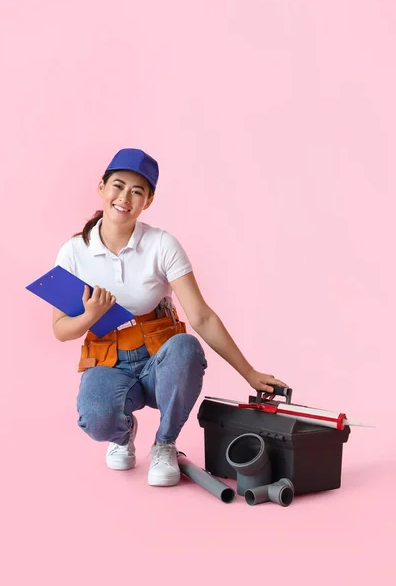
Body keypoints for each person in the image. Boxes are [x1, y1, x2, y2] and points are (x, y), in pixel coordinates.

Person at [52, 148, 288, 487]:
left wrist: (248, 372)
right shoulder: (74, 252)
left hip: (159, 361)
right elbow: (61, 329)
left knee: (186, 348)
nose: (125, 198)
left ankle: (165, 443)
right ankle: (123, 435)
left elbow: (202, 317)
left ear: (148, 201)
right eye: (118, 186)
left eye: (137, 191)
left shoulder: (162, 245)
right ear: (101, 187)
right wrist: (90, 314)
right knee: (96, 420)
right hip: (109, 362)